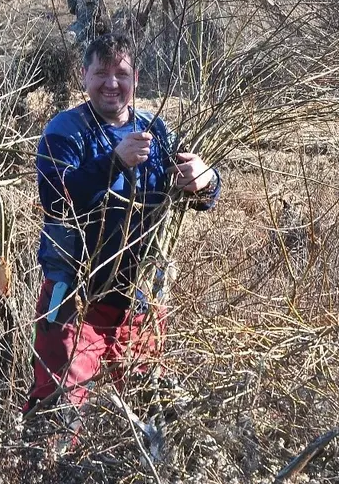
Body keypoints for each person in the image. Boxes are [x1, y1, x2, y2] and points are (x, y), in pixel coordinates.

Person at [25, 32, 219, 421]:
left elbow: (201, 193)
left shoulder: (157, 132)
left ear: (136, 79)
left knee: (148, 411)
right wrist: (113, 162)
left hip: (140, 300)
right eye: (101, 73)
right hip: (74, 298)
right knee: (57, 408)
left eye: (122, 74)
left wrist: (206, 179)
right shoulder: (65, 132)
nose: (112, 83)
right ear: (84, 76)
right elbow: (57, 200)